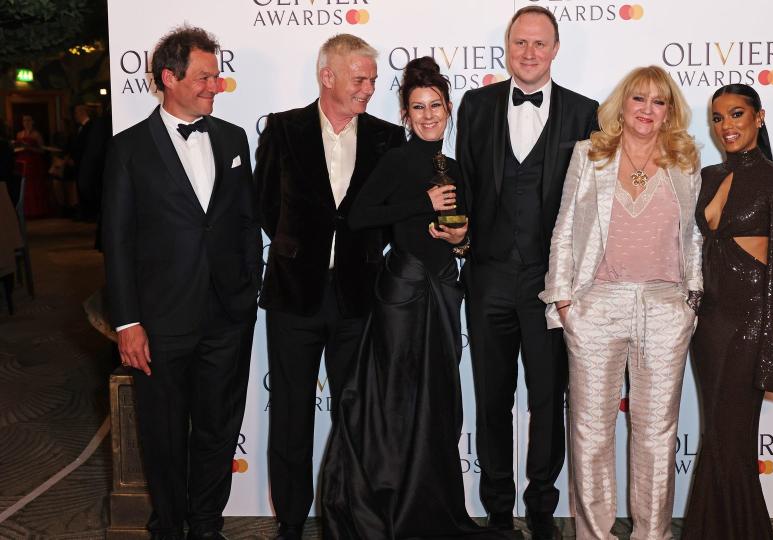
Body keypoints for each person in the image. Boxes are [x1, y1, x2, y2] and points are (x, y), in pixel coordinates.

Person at [320, 55, 504, 540]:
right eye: (418, 107)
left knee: (438, 398)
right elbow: (358, 215)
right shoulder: (397, 160)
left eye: (436, 106)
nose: (427, 115)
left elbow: (462, 234)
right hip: (403, 289)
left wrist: (459, 237)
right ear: (405, 113)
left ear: (448, 110)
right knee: (398, 397)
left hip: (446, 289)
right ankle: (392, 503)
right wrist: (419, 204)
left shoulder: (455, 164)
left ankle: (431, 502)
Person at [102, 25, 261, 540]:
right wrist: (128, 321)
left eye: (217, 76)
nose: (216, 86)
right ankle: (169, 527)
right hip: (160, 321)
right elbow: (118, 243)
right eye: (204, 77)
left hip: (225, 316)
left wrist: (246, 292)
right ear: (168, 78)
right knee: (164, 436)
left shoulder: (234, 140)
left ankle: (207, 525)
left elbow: (242, 223)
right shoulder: (127, 149)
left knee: (218, 431)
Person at [254, 34, 405, 540]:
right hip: (294, 296)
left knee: (355, 417)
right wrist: (304, 249)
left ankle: (350, 519)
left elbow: (390, 216)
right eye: (360, 78)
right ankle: (291, 523)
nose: (370, 87)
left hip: (357, 300)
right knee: (292, 416)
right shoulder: (283, 129)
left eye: (373, 79)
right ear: (328, 76)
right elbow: (264, 207)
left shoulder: (388, 138)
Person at [540, 65, 702, 539]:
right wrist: (565, 301)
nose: (648, 110)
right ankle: (595, 534)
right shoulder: (590, 154)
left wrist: (691, 300)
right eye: (639, 99)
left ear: (669, 110)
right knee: (591, 434)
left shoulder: (684, 160)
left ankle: (652, 533)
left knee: (657, 434)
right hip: (597, 305)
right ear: (622, 104)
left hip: (665, 306)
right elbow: (565, 228)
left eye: (659, 101)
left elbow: (691, 236)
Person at [455, 7, 598, 537]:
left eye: (540, 44)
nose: (529, 53)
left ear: (556, 49)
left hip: (551, 284)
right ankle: (496, 509)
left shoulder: (585, 113)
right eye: (520, 43)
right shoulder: (475, 105)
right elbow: (466, 184)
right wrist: (459, 236)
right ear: (507, 48)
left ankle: (541, 508)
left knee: (547, 397)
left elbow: (592, 205)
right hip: (487, 277)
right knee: (491, 398)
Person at [681, 84, 773, 539]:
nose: (727, 126)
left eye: (737, 114)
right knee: (721, 436)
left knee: (731, 435)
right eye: (718, 118)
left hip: (752, 324)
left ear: (759, 118)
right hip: (709, 325)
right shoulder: (705, 176)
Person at [14, 114, 51, 218]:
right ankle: (25, 211)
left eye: (28, 120)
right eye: (24, 120)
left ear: (32, 121)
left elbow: (42, 150)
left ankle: (37, 211)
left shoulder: (36, 135)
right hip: (22, 161)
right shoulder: (19, 134)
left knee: (35, 186)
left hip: (34, 163)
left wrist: (29, 148)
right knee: (23, 186)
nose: (26, 122)